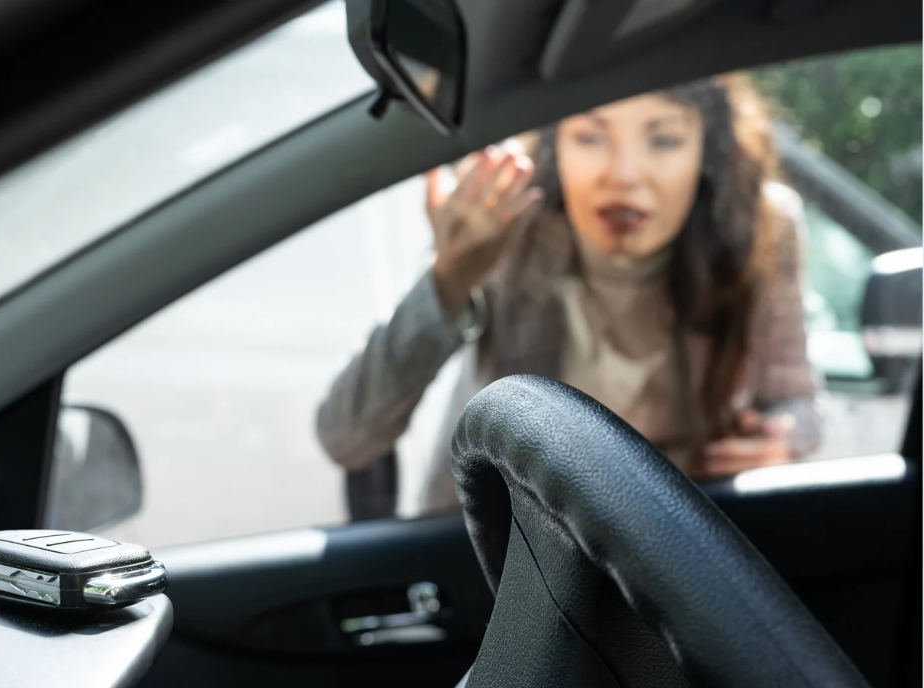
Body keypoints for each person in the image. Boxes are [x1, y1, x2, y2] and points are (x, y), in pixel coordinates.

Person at [317, 74, 822, 514]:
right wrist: (449, 278)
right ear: (556, 144)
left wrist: (781, 442)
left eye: (663, 140)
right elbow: (349, 436)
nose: (623, 175)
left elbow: (796, 401)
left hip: (681, 572)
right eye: (589, 136)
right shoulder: (507, 226)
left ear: (706, 149)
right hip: (510, 565)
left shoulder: (759, 231)